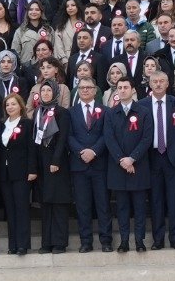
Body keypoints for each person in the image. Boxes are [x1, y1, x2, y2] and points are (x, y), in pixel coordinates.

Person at [104, 77, 152, 252]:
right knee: (122, 207)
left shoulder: (144, 112)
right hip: (118, 168)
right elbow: (109, 139)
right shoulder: (110, 113)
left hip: (138, 166)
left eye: (126, 87)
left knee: (140, 206)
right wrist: (122, 160)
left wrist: (132, 159)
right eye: (119, 87)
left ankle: (139, 240)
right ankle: (124, 241)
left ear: (133, 90)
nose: (122, 90)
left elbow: (147, 138)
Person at [67, 77, 113, 252]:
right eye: (82, 88)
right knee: (83, 206)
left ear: (95, 90)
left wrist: (93, 151)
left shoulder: (105, 111)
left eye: (88, 87)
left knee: (103, 205)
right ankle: (86, 241)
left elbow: (106, 134)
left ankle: (106, 241)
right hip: (79, 166)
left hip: (100, 164)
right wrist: (81, 152)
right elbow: (69, 136)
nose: (85, 90)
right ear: (78, 91)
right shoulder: (71, 112)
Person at [144, 71, 175, 250]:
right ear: (150, 84)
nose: (158, 84)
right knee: (156, 200)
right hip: (151, 157)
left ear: (168, 83)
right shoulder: (142, 105)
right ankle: (158, 239)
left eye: (162, 81)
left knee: (174, 200)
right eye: (155, 81)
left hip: (172, 157)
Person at [31, 81, 71, 254]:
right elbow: (34, 139)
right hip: (41, 163)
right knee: (45, 203)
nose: (46, 93)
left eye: (49, 90)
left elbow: (63, 138)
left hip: (57, 163)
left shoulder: (62, 113)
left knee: (58, 203)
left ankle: (60, 242)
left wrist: (56, 160)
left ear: (55, 92)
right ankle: (46, 242)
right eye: (43, 90)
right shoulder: (37, 113)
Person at [0, 93, 36, 255]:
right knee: (10, 209)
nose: (10, 107)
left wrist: (32, 170)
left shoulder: (27, 124)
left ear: (20, 106)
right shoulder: (1, 125)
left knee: (21, 208)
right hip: (5, 174)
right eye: (7, 105)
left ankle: (23, 244)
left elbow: (31, 149)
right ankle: (12, 244)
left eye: (13, 104)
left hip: (22, 173)